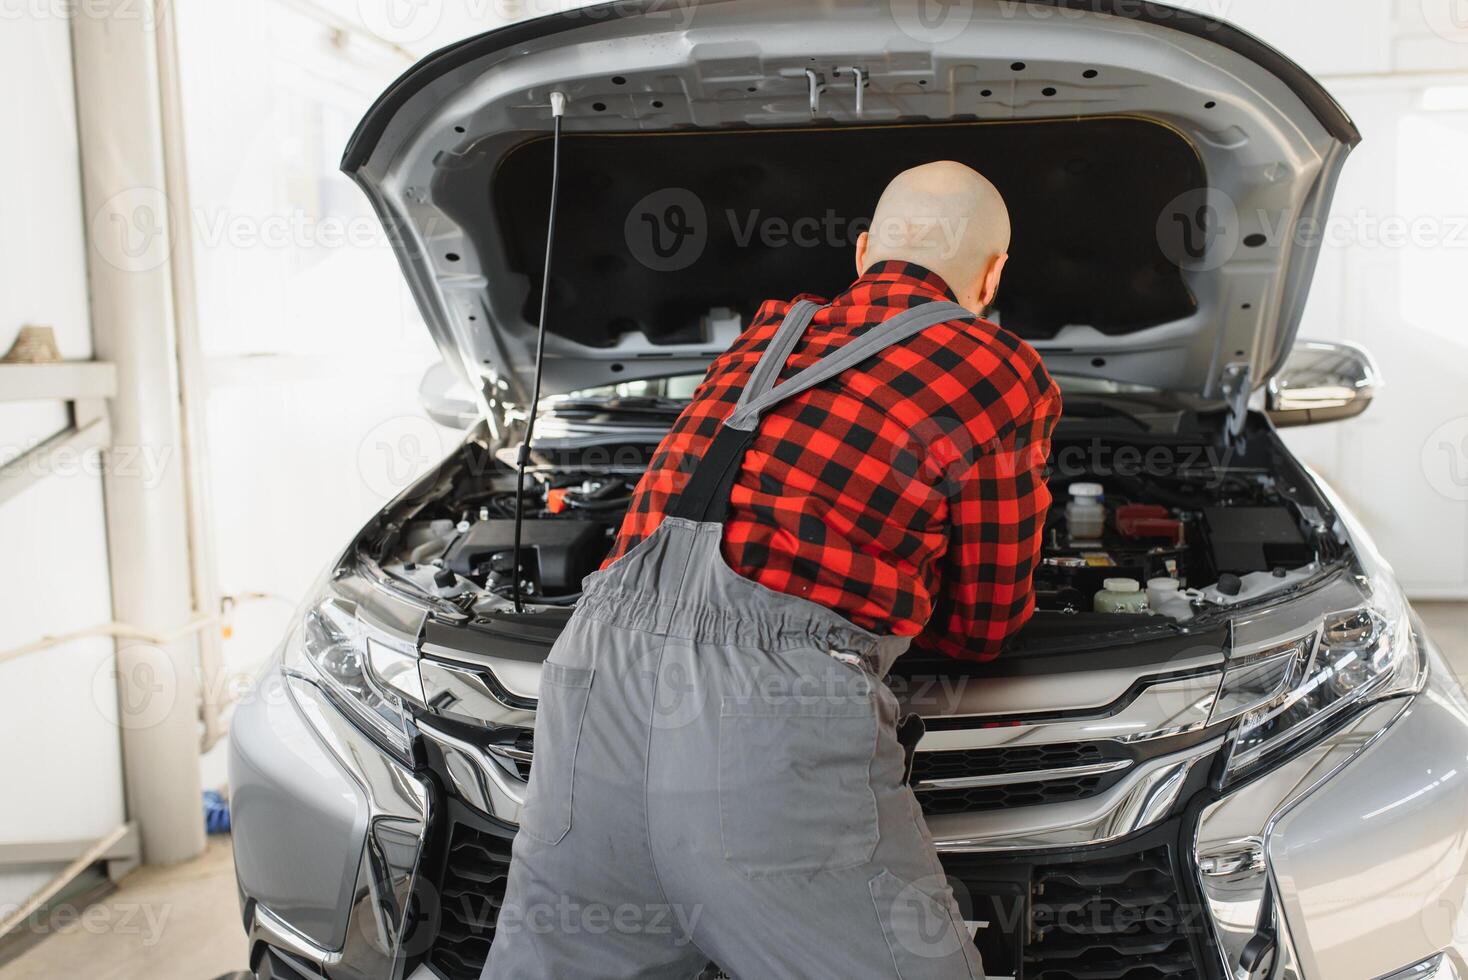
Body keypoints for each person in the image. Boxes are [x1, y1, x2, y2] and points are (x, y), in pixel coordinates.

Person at [484, 160, 1062, 980]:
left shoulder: (771, 332)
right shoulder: (995, 365)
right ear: (994, 274)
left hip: (589, 685)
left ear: (863, 252)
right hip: (765, 723)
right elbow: (984, 626)